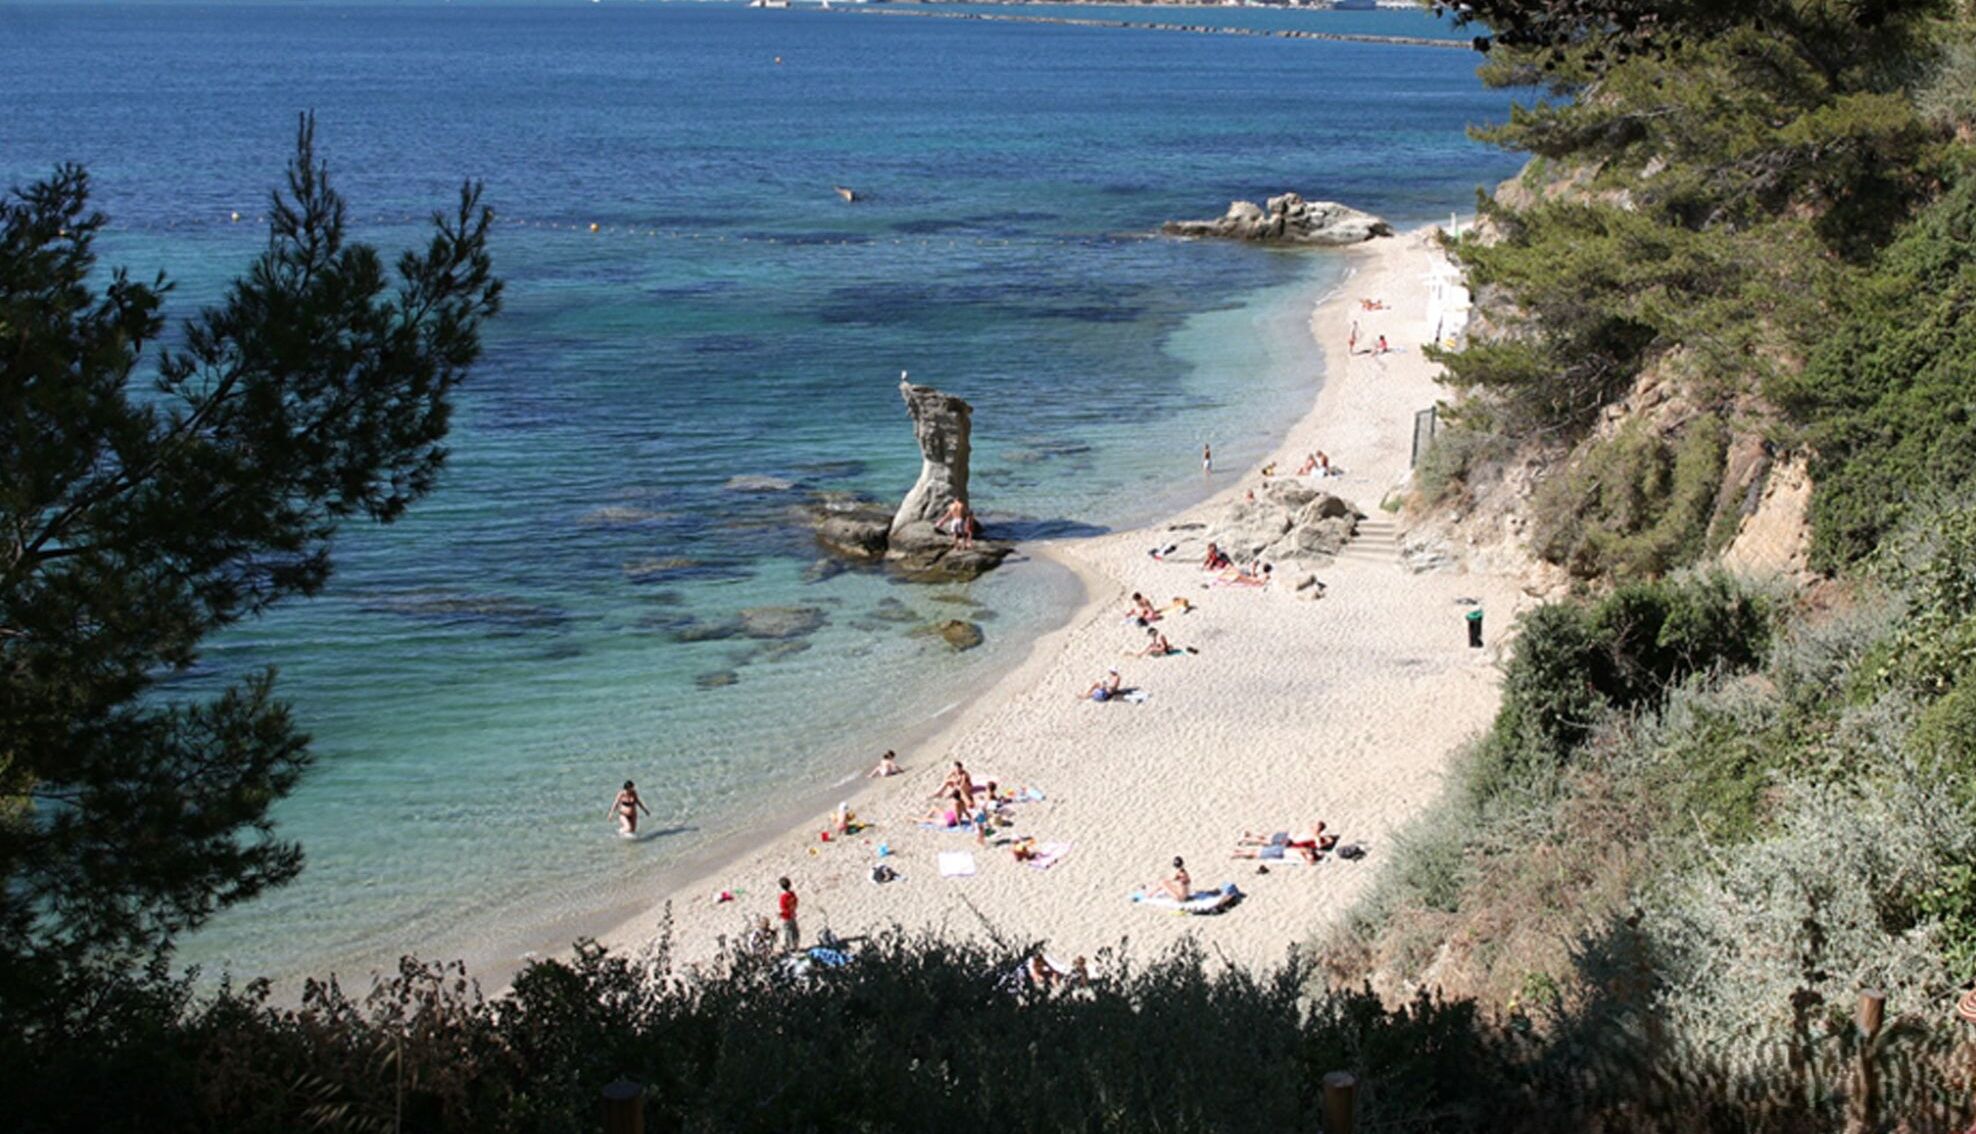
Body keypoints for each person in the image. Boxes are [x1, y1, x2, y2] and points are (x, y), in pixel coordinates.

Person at [776, 876, 799, 950]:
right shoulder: (792, 894)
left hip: (786, 917)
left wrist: (780, 914)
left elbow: (783, 907)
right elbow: (796, 902)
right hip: (792, 915)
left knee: (786, 931)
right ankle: (795, 945)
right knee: (793, 930)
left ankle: (787, 947)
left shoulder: (783, 897)